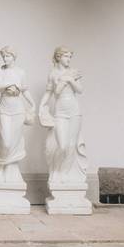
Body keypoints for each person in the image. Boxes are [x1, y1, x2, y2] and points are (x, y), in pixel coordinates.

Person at [38, 46, 87, 186]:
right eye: (66, 56)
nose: (69, 59)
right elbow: (51, 92)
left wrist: (70, 79)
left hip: (74, 111)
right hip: (60, 112)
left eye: (70, 57)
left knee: (71, 146)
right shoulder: (53, 74)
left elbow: (80, 90)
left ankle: (65, 175)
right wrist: (41, 106)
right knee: (63, 145)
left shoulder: (72, 73)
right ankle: (57, 172)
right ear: (59, 57)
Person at [0, 46, 36, 185]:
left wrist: (32, 103)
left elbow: (25, 90)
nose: (6, 58)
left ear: (14, 57)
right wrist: (11, 84)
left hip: (18, 110)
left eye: (8, 56)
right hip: (4, 109)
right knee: (5, 141)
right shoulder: (0, 71)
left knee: (15, 142)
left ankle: (10, 172)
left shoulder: (21, 72)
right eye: (4, 56)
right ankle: (0, 168)